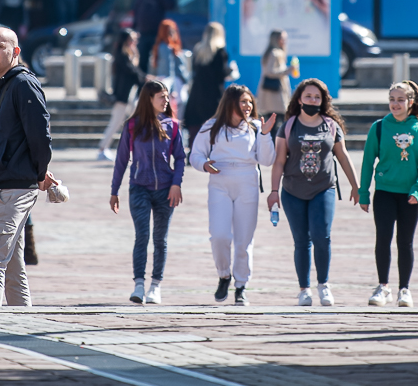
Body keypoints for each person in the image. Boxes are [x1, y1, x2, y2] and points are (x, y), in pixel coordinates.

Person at [0, 28, 58, 306]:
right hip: (0, 187)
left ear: (15, 51)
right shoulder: (1, 84)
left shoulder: (23, 84)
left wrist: (39, 174)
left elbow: (41, 136)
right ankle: (22, 325)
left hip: (11, 189)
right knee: (13, 270)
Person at [268, 79, 361, 307]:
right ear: (299, 99)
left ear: (323, 101)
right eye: (308, 96)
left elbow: (343, 156)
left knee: (322, 236)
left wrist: (356, 185)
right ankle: (304, 289)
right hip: (292, 191)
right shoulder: (288, 126)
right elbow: (279, 161)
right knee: (301, 240)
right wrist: (273, 191)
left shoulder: (331, 126)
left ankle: (324, 285)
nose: (312, 100)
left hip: (323, 188)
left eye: (317, 97)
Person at [190, 84, 278, 305]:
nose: (247, 106)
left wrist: (266, 134)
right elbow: (195, 155)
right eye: (242, 101)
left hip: (247, 183)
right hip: (219, 182)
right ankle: (223, 275)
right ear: (230, 103)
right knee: (219, 235)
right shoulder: (211, 126)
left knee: (243, 239)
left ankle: (241, 285)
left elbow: (267, 160)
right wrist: (204, 164)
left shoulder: (256, 127)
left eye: (249, 102)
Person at [109, 79, 186, 304]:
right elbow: (121, 160)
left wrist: (176, 184)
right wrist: (114, 191)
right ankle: (139, 285)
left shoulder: (172, 125)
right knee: (142, 236)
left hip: (166, 190)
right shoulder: (132, 125)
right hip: (139, 188)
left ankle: (155, 286)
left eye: (167, 96)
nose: (166, 100)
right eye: (162, 97)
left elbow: (180, 158)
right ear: (149, 99)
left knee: (160, 239)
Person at [358, 81, 418, 308]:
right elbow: (367, 162)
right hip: (384, 192)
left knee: (405, 242)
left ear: (411, 102)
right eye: (392, 99)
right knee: (383, 238)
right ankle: (383, 287)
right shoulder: (379, 127)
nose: (395, 104)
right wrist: (363, 193)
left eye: (401, 100)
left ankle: (404, 289)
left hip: (410, 195)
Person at [183, 21, 237, 142]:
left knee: (196, 127)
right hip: (213, 94)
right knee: (214, 126)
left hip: (197, 93)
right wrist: (231, 70)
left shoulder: (198, 49)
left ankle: (195, 150)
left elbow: (194, 71)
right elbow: (220, 74)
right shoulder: (220, 52)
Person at [97, 29, 142, 161]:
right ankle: (102, 148)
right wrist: (145, 78)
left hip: (130, 96)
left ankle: (133, 148)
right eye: (132, 39)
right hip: (122, 96)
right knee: (116, 122)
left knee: (134, 122)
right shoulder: (122, 54)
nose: (135, 42)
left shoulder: (129, 53)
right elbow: (131, 71)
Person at [131, 0, 175, 73]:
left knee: (160, 59)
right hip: (143, 33)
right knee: (142, 59)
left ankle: (158, 80)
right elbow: (136, 12)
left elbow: (170, 6)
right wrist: (135, 29)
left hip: (158, 34)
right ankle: (142, 80)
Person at [150, 18, 188, 113]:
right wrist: (172, 89)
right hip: (171, 83)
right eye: (170, 32)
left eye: (173, 31)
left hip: (168, 83)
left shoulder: (161, 46)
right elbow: (169, 70)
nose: (173, 34)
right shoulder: (165, 48)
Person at [257, 29, 296, 115]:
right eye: (282, 38)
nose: (285, 41)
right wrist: (288, 70)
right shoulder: (274, 53)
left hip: (274, 90)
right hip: (274, 91)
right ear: (275, 39)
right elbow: (270, 72)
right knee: (277, 116)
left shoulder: (276, 52)